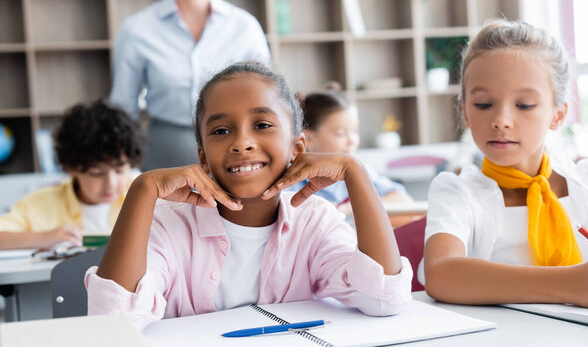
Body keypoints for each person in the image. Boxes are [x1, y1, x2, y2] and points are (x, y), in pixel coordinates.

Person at [86, 62, 413, 329]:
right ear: (202, 157)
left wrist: (355, 173)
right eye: (221, 131)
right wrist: (142, 190)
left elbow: (385, 298)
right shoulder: (167, 225)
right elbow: (113, 323)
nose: (241, 143)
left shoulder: (315, 222)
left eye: (262, 125)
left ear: (297, 148)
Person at [421, 20, 588, 308]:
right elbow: (441, 273)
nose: (501, 120)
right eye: (483, 104)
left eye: (524, 105)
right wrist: (573, 285)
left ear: (557, 114)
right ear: (465, 112)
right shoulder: (458, 192)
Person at [109, 0, 270, 170]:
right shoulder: (136, 29)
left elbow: (266, 98)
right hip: (163, 154)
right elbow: (123, 109)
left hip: (235, 150)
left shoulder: (245, 27)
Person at [0, 101, 144, 250]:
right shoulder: (40, 204)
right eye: (96, 173)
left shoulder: (144, 195)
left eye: (119, 170)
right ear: (71, 168)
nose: (111, 184)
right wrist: (44, 238)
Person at [287, 90, 412, 215]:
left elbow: (402, 199)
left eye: (354, 131)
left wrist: (345, 209)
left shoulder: (359, 169)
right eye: (340, 133)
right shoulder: (290, 181)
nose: (352, 140)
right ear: (308, 139)